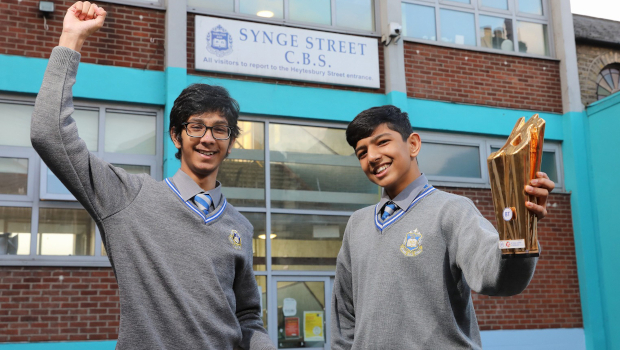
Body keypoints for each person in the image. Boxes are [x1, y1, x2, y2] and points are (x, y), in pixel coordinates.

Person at [31, 2, 274, 349]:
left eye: (220, 130)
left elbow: (247, 316)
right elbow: (49, 135)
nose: (208, 138)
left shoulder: (240, 227)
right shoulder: (128, 199)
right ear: (177, 136)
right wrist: (71, 38)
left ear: (231, 143)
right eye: (196, 127)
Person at [330, 105, 554, 349]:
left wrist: (520, 227)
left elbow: (499, 279)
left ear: (413, 144)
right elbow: (344, 315)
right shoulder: (357, 225)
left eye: (382, 142)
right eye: (362, 153)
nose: (372, 156)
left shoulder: (452, 210)